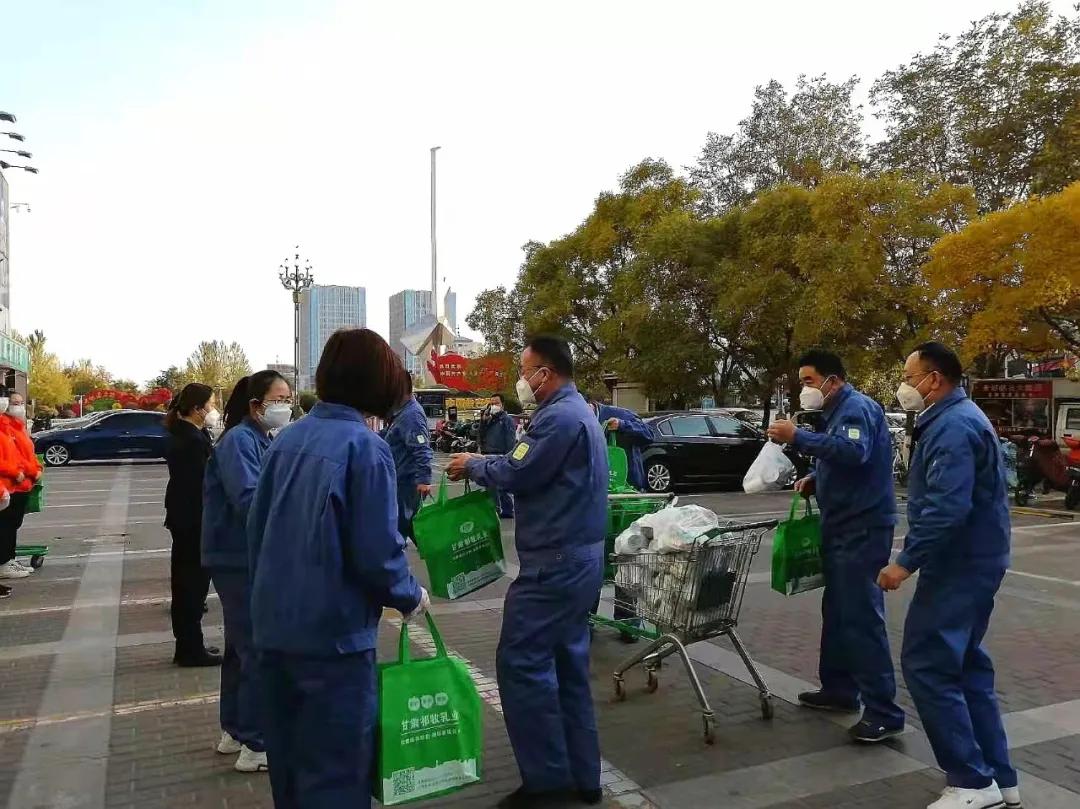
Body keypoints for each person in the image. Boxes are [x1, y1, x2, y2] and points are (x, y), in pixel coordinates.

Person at [248, 329, 426, 809]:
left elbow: (257, 530)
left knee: (289, 769)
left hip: (274, 630)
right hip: (333, 641)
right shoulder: (365, 448)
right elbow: (377, 553)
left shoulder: (286, 440)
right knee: (337, 775)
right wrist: (411, 595)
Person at [447, 335, 607, 809]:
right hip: (578, 562)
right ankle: (583, 777)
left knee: (522, 666)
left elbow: (518, 471)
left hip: (553, 567)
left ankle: (548, 784)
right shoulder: (582, 413)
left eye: (526, 370)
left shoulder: (557, 418)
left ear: (547, 373)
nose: (522, 381)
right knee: (567, 667)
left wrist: (474, 464)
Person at [878, 343, 1020, 809]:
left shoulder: (953, 426)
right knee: (966, 668)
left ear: (933, 379)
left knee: (928, 665)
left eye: (909, 375)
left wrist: (905, 562)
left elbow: (946, 507)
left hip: (959, 564)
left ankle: (971, 782)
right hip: (976, 559)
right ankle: (998, 778)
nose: (905, 385)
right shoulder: (960, 418)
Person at [767, 350, 904, 743]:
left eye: (809, 381)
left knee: (861, 618)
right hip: (841, 526)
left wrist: (798, 437)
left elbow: (855, 452)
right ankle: (840, 689)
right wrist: (815, 476)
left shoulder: (856, 407)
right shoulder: (836, 412)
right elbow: (839, 458)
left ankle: (884, 712)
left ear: (833, 380)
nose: (805, 389)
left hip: (861, 529)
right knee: (839, 613)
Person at [202, 370, 292, 773]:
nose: (285, 406)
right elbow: (249, 499)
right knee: (254, 646)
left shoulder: (257, 438)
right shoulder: (240, 440)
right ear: (256, 405)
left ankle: (235, 729)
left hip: (238, 555)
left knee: (240, 647)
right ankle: (255, 743)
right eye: (278, 398)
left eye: (288, 398)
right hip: (237, 557)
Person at [164, 384, 222, 668]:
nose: (213, 410)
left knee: (189, 586)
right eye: (210, 405)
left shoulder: (190, 434)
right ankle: (190, 648)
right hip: (192, 521)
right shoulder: (189, 439)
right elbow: (200, 485)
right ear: (197, 408)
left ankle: (190, 644)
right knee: (191, 587)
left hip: (186, 518)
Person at [380, 373, 433, 544]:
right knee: (410, 528)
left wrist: (424, 479)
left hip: (406, 483)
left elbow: (422, 449)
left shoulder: (411, 415)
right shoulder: (401, 413)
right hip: (400, 480)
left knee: (399, 530)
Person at [0, 392, 42, 585]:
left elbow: (27, 454)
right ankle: (4, 562)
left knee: (12, 524)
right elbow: (14, 460)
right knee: (6, 525)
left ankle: (9, 559)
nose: (19, 407)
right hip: (10, 485)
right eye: (14, 403)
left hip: (21, 484)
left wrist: (36, 469)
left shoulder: (18, 427)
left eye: (20, 403)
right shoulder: (5, 428)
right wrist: (25, 471)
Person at [588, 399, 654, 491]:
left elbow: (649, 434)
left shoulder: (620, 414)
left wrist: (622, 425)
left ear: (589, 405)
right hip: (602, 488)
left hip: (629, 485)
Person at [478, 393, 517, 517]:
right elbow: (480, 434)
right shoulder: (488, 419)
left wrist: (508, 457)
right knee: (490, 485)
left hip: (501, 455)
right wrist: (483, 421)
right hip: (487, 454)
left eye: (496, 403)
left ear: (502, 405)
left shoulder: (507, 420)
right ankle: (494, 509)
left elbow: (510, 440)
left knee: (501, 486)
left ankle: (507, 510)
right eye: (491, 403)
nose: (494, 406)